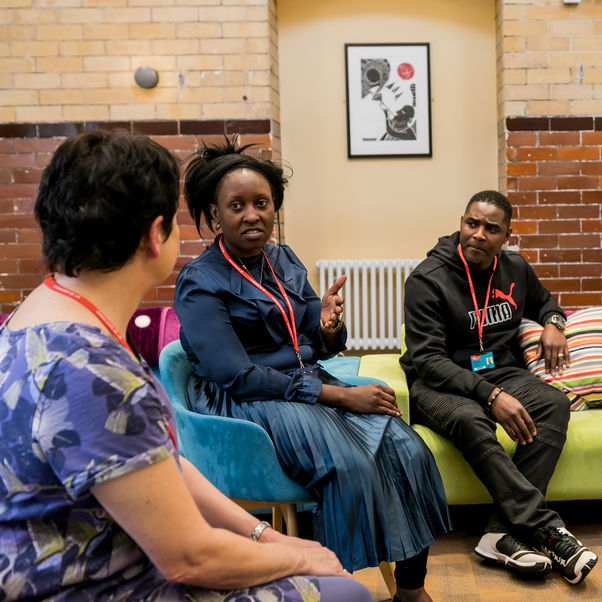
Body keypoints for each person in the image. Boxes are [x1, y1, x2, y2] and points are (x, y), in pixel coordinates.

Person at [0, 130, 374, 602]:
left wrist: (265, 536)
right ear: (156, 235)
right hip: (95, 583)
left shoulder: (35, 313)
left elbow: (160, 463)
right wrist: (303, 556)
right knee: (347, 594)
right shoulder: (94, 373)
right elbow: (188, 557)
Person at [174, 138, 451, 602]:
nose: (251, 215)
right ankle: (329, 589)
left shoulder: (282, 260)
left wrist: (328, 324)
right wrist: (342, 396)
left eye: (261, 203)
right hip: (245, 398)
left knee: (410, 448)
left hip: (302, 383)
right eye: (236, 205)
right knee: (348, 464)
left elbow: (318, 340)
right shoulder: (201, 283)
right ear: (215, 214)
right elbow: (235, 376)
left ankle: (409, 589)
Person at [400, 190, 598, 585]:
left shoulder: (514, 267)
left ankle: (498, 532)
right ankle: (545, 528)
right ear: (461, 221)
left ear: (506, 235)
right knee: (472, 419)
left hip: (501, 371)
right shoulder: (427, 279)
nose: (478, 234)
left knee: (553, 404)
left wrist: (554, 324)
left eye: (491, 228)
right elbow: (428, 360)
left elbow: (545, 303)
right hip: (439, 381)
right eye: (472, 223)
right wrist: (490, 397)